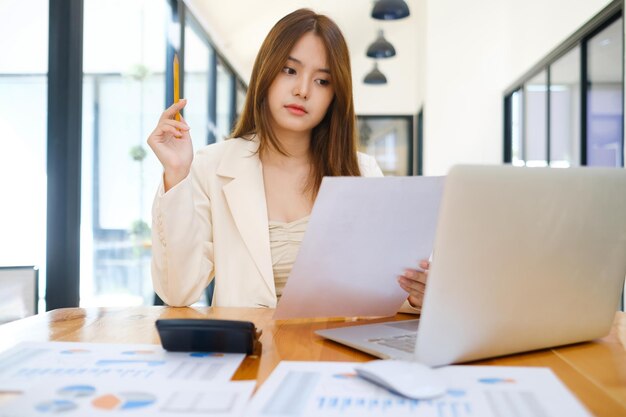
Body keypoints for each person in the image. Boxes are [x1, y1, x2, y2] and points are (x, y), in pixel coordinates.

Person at [147, 8, 428, 311]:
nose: (302, 90)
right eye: (290, 70)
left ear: (336, 95)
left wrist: (416, 294)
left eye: (322, 81)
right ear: (266, 73)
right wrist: (176, 173)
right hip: (250, 352)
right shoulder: (211, 165)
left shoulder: (362, 172)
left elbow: (385, 291)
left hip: (335, 352)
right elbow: (177, 293)